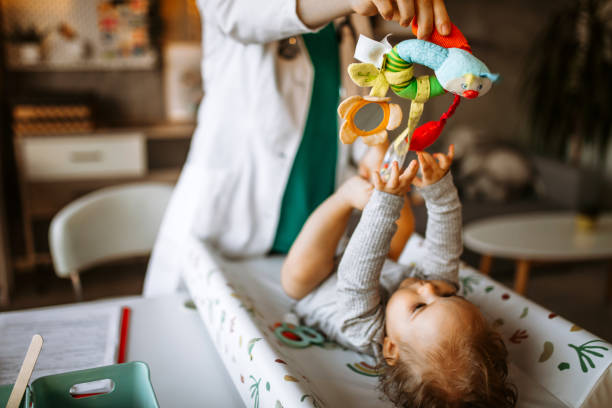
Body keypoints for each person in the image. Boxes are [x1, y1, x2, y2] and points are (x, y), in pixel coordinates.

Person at [143, 0, 453, 295]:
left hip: (311, 233)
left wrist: (373, 147)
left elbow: (358, 92)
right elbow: (239, 19)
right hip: (229, 222)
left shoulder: (351, 18)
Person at [281, 147, 518, 407]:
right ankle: (384, 171)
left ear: (391, 348)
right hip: (375, 268)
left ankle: (346, 196)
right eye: (448, 295)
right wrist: (439, 191)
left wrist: (384, 205)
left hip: (318, 285)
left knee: (298, 275)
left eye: (419, 307)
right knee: (403, 228)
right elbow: (444, 249)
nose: (428, 288)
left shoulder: (365, 331)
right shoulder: (429, 293)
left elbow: (355, 275)